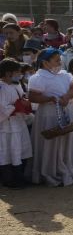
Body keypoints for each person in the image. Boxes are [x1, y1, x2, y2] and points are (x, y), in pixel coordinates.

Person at [27, 48, 73, 186]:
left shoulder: (64, 75)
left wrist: (66, 97)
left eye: (59, 59)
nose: (59, 62)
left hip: (67, 110)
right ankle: (50, 172)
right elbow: (32, 96)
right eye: (56, 60)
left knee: (68, 141)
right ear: (45, 62)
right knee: (51, 142)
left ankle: (71, 169)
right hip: (49, 113)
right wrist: (50, 98)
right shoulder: (37, 78)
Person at [0, 59, 33, 188]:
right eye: (17, 72)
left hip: (19, 123)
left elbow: (20, 98)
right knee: (8, 152)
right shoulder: (1, 87)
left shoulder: (15, 85)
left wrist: (24, 102)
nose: (19, 74)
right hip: (7, 126)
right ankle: (10, 180)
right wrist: (16, 106)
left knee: (20, 151)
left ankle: (20, 177)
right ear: (8, 73)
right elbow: (2, 107)